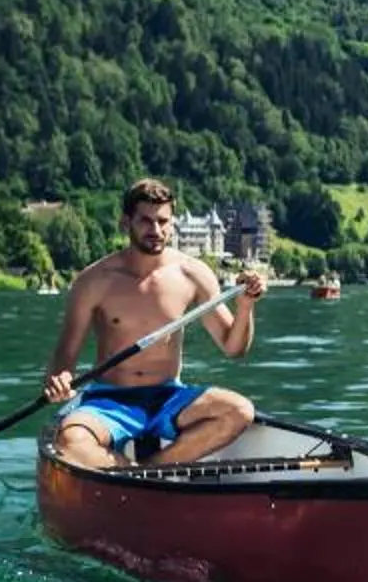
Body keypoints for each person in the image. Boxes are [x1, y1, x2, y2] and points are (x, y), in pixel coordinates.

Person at [41, 177, 268, 468]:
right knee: (70, 442)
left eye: (163, 221)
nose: (156, 230)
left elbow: (233, 348)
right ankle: (129, 473)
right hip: (109, 401)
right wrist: (59, 379)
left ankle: (151, 470)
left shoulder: (193, 273)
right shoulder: (93, 281)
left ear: (172, 223)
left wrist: (245, 307)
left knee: (240, 411)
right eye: (146, 221)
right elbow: (66, 352)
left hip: (168, 398)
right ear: (126, 223)